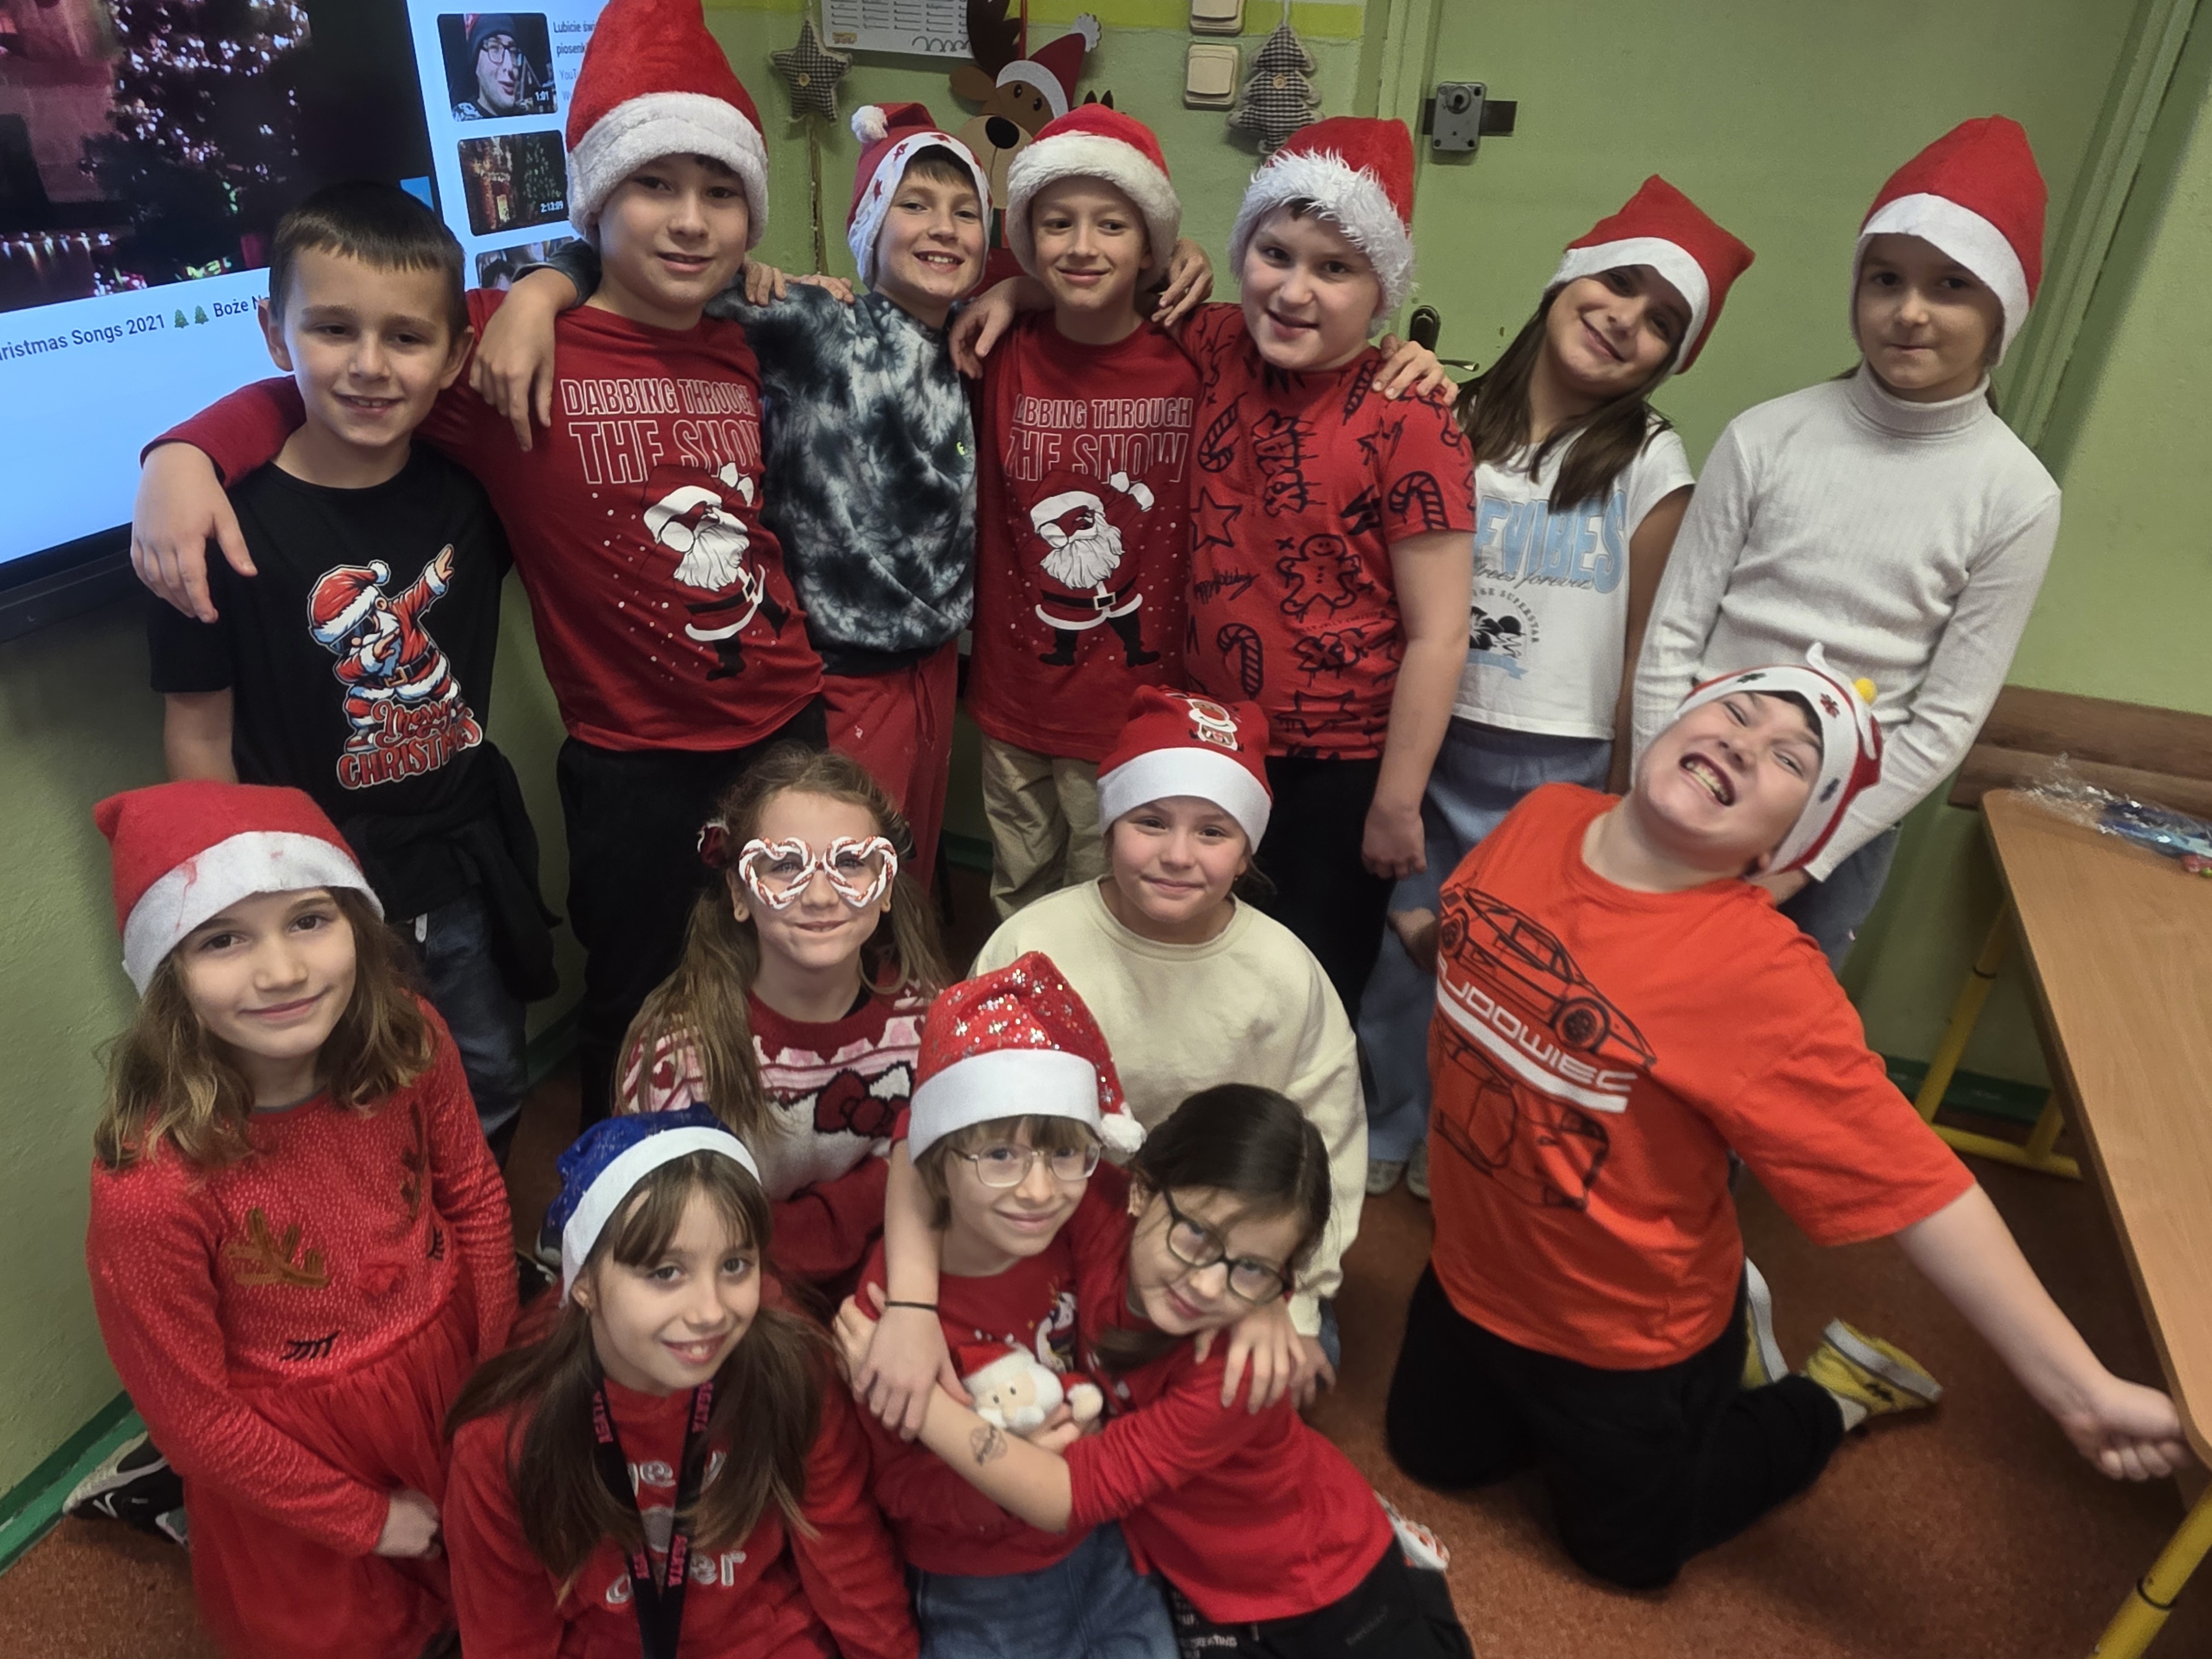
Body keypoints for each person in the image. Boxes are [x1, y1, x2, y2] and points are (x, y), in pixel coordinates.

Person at [128, 0, 827, 1125]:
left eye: (720, 193)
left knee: (792, 958)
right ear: (595, 200)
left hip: (787, 715)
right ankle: (620, 1195)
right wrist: (181, 455)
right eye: (653, 184)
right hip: (633, 759)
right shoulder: (502, 351)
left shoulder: (745, 341)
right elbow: (339, 378)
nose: (691, 222)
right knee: (639, 991)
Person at [1386, 649, 2192, 1592]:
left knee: (1628, 1561)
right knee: (1430, 1459)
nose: (1747, 742)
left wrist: (2080, 1390)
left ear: (1780, 851)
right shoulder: (1544, 815)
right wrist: (1426, 933)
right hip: (1469, 1282)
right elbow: (1481, 939)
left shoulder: (1759, 977)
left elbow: (1919, 1189)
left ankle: (1828, 1398)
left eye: (1791, 759)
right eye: (1740, 713)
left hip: (1625, 1343)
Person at [989, 117, 1473, 1013]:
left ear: (1383, 287)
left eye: (1336, 269)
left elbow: (1441, 634)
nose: (1294, 290)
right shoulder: (1215, 344)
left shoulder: (1412, 417)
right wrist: (1017, 292)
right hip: (1207, 737)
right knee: (1192, 964)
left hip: (1338, 766)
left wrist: (1399, 802)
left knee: (1306, 985)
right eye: (1274, 254)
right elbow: (1103, 285)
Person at [473, 104, 1005, 881]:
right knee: (844, 882)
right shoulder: (820, 322)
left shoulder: (974, 339)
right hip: (841, 672)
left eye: (966, 214)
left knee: (904, 876)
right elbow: (647, 274)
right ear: (868, 226)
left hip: (933, 662)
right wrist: (543, 285)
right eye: (915, 205)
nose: (943, 229)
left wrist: (1015, 296)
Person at [1359, 177, 1752, 1198]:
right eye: (1619, 286)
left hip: (1556, 762)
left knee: (1511, 967)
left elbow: (1648, 642)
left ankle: (1463, 1140)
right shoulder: (1447, 415)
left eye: (1661, 322)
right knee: (1403, 947)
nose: (1626, 321)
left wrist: (1627, 785)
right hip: (1432, 734)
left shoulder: (1653, 462)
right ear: (1566, 280)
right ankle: (1386, 1118)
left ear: (1669, 359)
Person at [148, 180, 555, 1166]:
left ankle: (478, 1238)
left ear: (453, 356)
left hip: (461, 868)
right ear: (275, 335)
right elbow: (198, 736)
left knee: (491, 1076)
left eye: (406, 338)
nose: (370, 365)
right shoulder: (212, 528)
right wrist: (245, 908)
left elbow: (578, 310)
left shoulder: (473, 495)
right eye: (333, 329)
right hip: (311, 891)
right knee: (346, 1111)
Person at [84, 781, 518, 1659]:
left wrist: (494, 1374)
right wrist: (365, 1520)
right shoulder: (151, 1184)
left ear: (358, 926)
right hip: (296, 1459)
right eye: (223, 938)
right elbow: (194, 1416)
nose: (281, 972)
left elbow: (474, 1197)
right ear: (167, 973)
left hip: (451, 1376)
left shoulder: (412, 1040)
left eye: (309, 920)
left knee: (491, 1588)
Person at [834, 1084, 1475, 1659]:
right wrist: (911, 1304)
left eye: (1252, 1268)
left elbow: (1068, 1496)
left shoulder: (1233, 1373)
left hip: (1317, 1573)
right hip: (1191, 1575)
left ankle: (1404, 1567)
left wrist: (921, 1402)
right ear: (1139, 1190)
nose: (1206, 1285)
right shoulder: (1099, 1214)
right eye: (1196, 1235)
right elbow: (929, 1115)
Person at [1632, 116, 2063, 967]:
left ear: (2001, 310)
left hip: (1840, 835)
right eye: (1885, 279)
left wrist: (1798, 865)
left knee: (1756, 1024)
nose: (1910, 311)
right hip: (1695, 777)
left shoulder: (2017, 496)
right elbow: (1674, 633)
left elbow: (1944, 722)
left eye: (1951, 285)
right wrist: (1658, 790)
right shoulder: (1768, 436)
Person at [972, 686, 1362, 1390]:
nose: (1178, 855)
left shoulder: (1286, 974)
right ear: (1108, 826)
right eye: (1150, 822)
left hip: (1224, 1241)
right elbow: (973, 1114)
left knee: (1270, 1387)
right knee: (1016, 1378)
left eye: (1213, 833)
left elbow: (1328, 1141)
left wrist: (1293, 1297)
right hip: (1056, 1218)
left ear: (1245, 854)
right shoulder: (1032, 945)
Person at [443, 1108, 917, 1656]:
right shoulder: (505, 1438)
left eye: (735, 1265)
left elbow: (848, 1559)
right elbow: (508, 1634)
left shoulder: (790, 1370)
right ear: (585, 1284)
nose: (710, 1312)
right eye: (666, 1272)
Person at [852, 955, 1178, 1657]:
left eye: (1064, 1156)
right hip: (977, 1581)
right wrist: (1005, 1480)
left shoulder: (1084, 1215)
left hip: (1106, 1541)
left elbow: (1199, 1233)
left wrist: (1269, 1302)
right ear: (937, 1164)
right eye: (999, 1156)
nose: (1037, 1191)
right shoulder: (883, 1310)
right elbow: (894, 1483)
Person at [960, 103, 1200, 919]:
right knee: (1019, 891)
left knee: (1107, 903)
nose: (1083, 246)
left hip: (1135, 704)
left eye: (1112, 225)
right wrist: (1011, 290)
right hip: (1014, 692)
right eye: (1057, 223)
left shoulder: (1194, 355)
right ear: (1029, 239)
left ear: (1151, 245)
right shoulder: (995, 347)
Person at [617, 745, 948, 1293]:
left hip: (888, 1272)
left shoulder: (928, 1026)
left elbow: (932, 1183)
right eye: (785, 866)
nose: (819, 896)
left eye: (850, 863)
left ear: (886, 886)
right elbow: (677, 1236)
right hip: (731, 1289)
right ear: (740, 892)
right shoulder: (680, 1057)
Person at [452, 14, 552, 121]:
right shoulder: (459, 121)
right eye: (495, 49)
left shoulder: (529, 121)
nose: (510, 67)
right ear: (476, 62)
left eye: (513, 53)